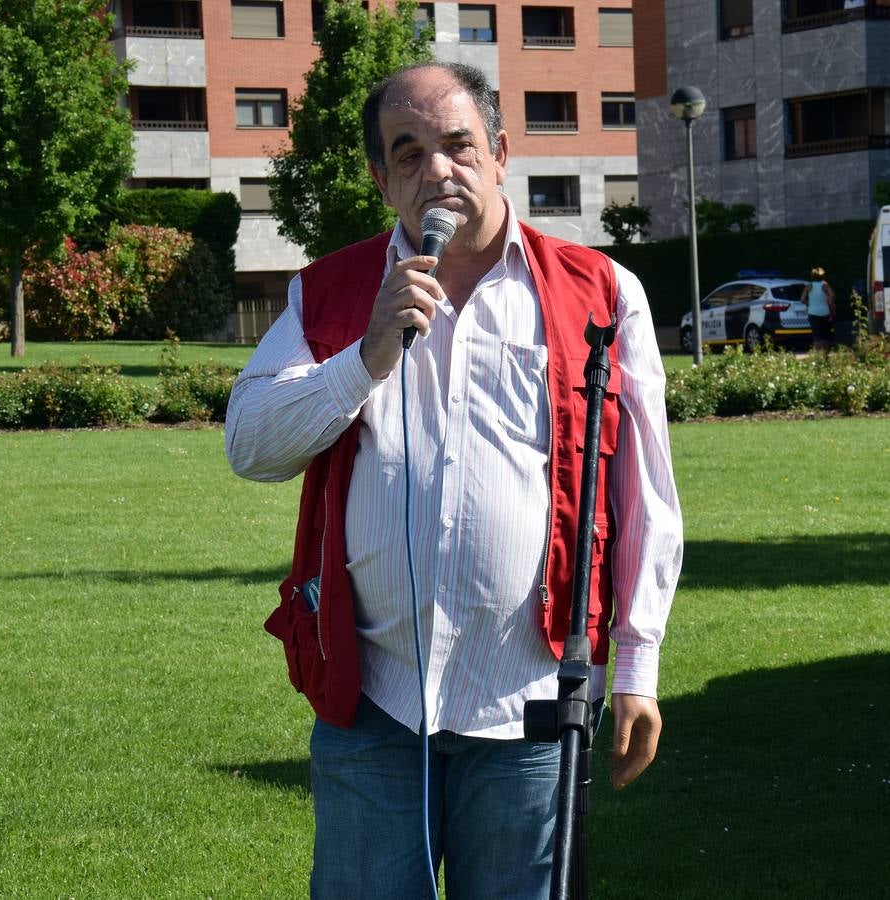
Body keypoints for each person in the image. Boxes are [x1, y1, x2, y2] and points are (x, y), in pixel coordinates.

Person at [225, 62, 682, 899]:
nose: (437, 169)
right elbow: (251, 446)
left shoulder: (603, 293)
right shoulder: (328, 292)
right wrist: (363, 359)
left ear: (501, 152)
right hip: (372, 701)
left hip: (528, 703)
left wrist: (637, 668)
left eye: (458, 145)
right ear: (380, 178)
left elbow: (642, 494)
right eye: (408, 152)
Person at [800, 266, 836, 352]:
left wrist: (810, 304)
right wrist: (832, 310)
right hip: (825, 313)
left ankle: (818, 355)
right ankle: (825, 355)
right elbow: (832, 296)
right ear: (823, 276)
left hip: (813, 313)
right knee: (826, 336)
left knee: (816, 336)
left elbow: (802, 300)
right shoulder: (825, 285)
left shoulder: (808, 286)